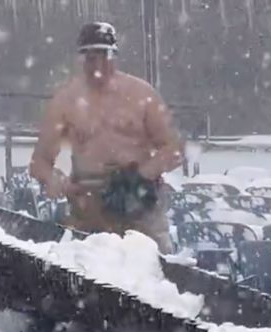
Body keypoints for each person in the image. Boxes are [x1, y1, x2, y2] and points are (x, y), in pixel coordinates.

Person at [29, 22, 183, 253]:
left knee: (154, 274)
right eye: (91, 58)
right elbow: (39, 162)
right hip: (88, 206)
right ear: (80, 59)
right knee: (89, 274)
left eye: (105, 56)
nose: (98, 65)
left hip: (140, 204)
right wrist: (59, 183)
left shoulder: (141, 94)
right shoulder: (66, 101)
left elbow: (173, 149)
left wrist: (138, 178)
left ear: (115, 56)